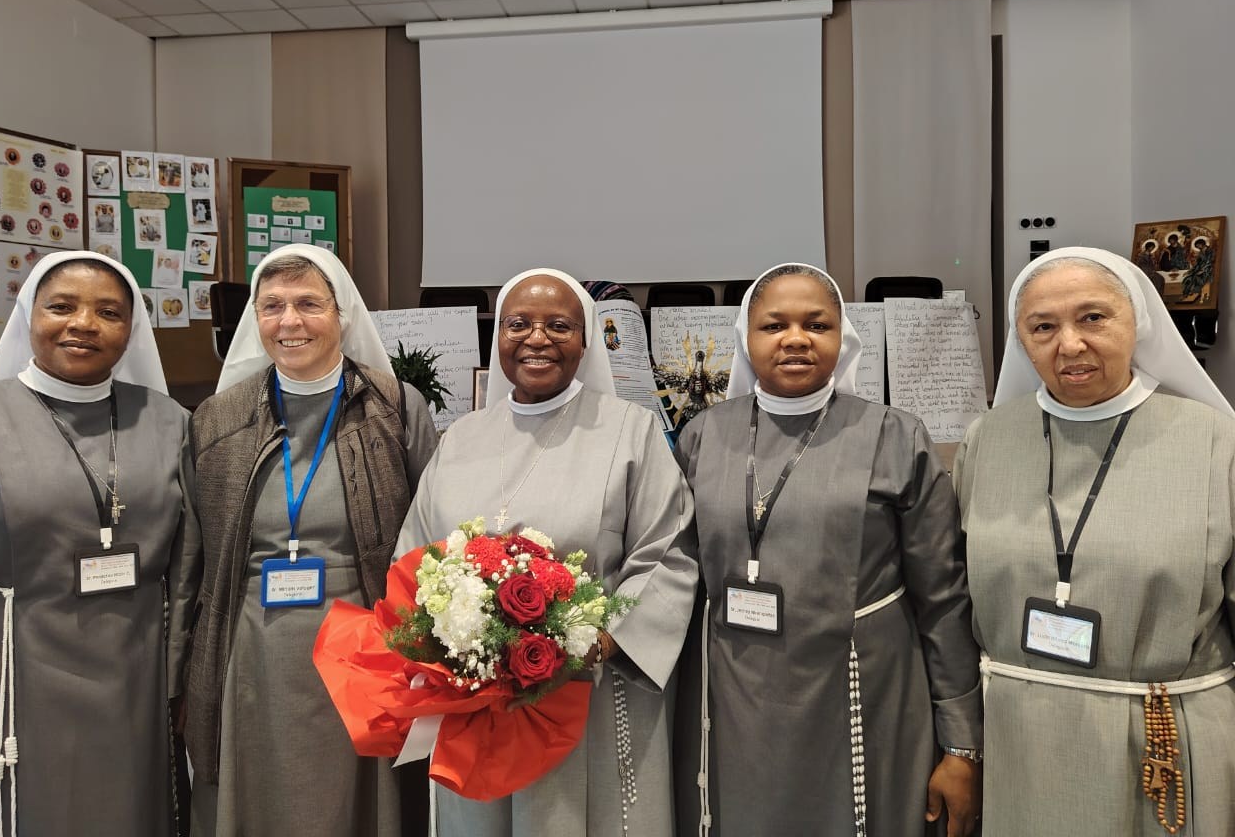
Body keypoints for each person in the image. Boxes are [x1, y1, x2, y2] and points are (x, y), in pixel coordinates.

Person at [674, 263, 983, 837]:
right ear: (747, 338)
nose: (796, 339)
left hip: (862, 688)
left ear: (843, 336)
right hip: (735, 694)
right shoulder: (703, 434)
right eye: (774, 326)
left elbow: (942, 598)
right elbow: (677, 577)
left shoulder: (895, 434)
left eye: (816, 324)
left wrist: (961, 744)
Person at [395, 267, 697, 837]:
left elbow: (668, 553)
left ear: (585, 342)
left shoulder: (630, 431)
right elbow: (415, 553)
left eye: (559, 325)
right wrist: (445, 638)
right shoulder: (461, 437)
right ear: (499, 337)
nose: (537, 338)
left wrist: (597, 640)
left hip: (589, 690)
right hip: (476, 702)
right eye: (519, 324)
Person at [955, 246, 1235, 836]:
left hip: (1162, 736)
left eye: (1093, 318)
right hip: (1018, 737)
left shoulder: (1214, 441)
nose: (1070, 345)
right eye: (1043, 326)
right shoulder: (988, 439)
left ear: (1139, 320)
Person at [179, 245, 438, 837]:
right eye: (272, 306)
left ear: (341, 314)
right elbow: (193, 555)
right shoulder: (217, 420)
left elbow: (432, 534)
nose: (289, 321)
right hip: (253, 644)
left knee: (357, 799)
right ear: (255, 317)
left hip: (368, 638)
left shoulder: (394, 407)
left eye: (307, 304)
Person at [0, 250, 189, 837]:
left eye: (108, 311)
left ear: (130, 331)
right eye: (62, 306)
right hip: (9, 668)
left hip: (136, 673)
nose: (83, 323)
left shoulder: (170, 422)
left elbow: (191, 567)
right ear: (28, 315)